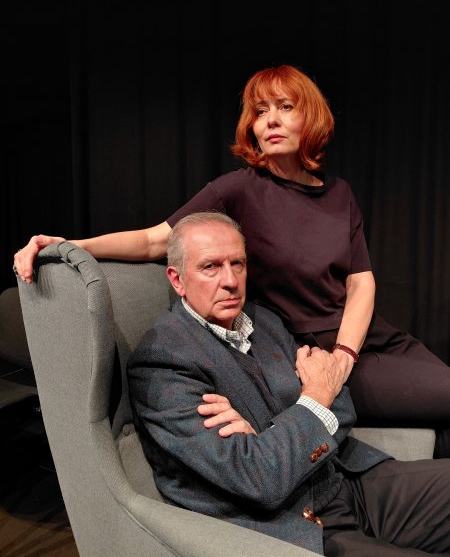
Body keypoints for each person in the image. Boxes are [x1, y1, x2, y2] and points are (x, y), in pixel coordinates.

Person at [13, 64, 450, 457]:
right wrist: (68, 244)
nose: (271, 120)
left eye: (285, 107)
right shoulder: (238, 190)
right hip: (312, 354)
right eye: (260, 112)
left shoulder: (340, 193)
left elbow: (361, 282)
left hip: (363, 340)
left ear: (311, 117)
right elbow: (152, 241)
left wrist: (347, 354)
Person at [127, 211, 450, 556]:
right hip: (296, 524)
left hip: (347, 480)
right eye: (211, 267)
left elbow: (340, 401)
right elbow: (259, 479)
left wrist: (268, 437)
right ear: (177, 280)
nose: (231, 280)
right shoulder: (163, 363)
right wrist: (313, 398)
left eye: (238, 264)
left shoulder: (264, 321)